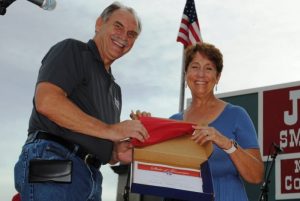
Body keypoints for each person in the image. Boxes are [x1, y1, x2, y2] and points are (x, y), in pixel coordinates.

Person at [14, 2, 149, 201]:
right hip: (55, 160)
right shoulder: (73, 50)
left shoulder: (115, 91)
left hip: (92, 178)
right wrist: (112, 130)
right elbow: (47, 101)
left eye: (132, 34)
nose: (124, 36)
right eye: (118, 26)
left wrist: (116, 152)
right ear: (99, 23)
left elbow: (100, 138)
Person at [166, 43, 264, 201]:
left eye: (209, 68)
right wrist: (145, 129)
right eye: (195, 67)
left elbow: (256, 175)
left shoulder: (237, 115)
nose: (201, 75)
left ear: (217, 77)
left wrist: (226, 143)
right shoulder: (172, 122)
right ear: (186, 74)